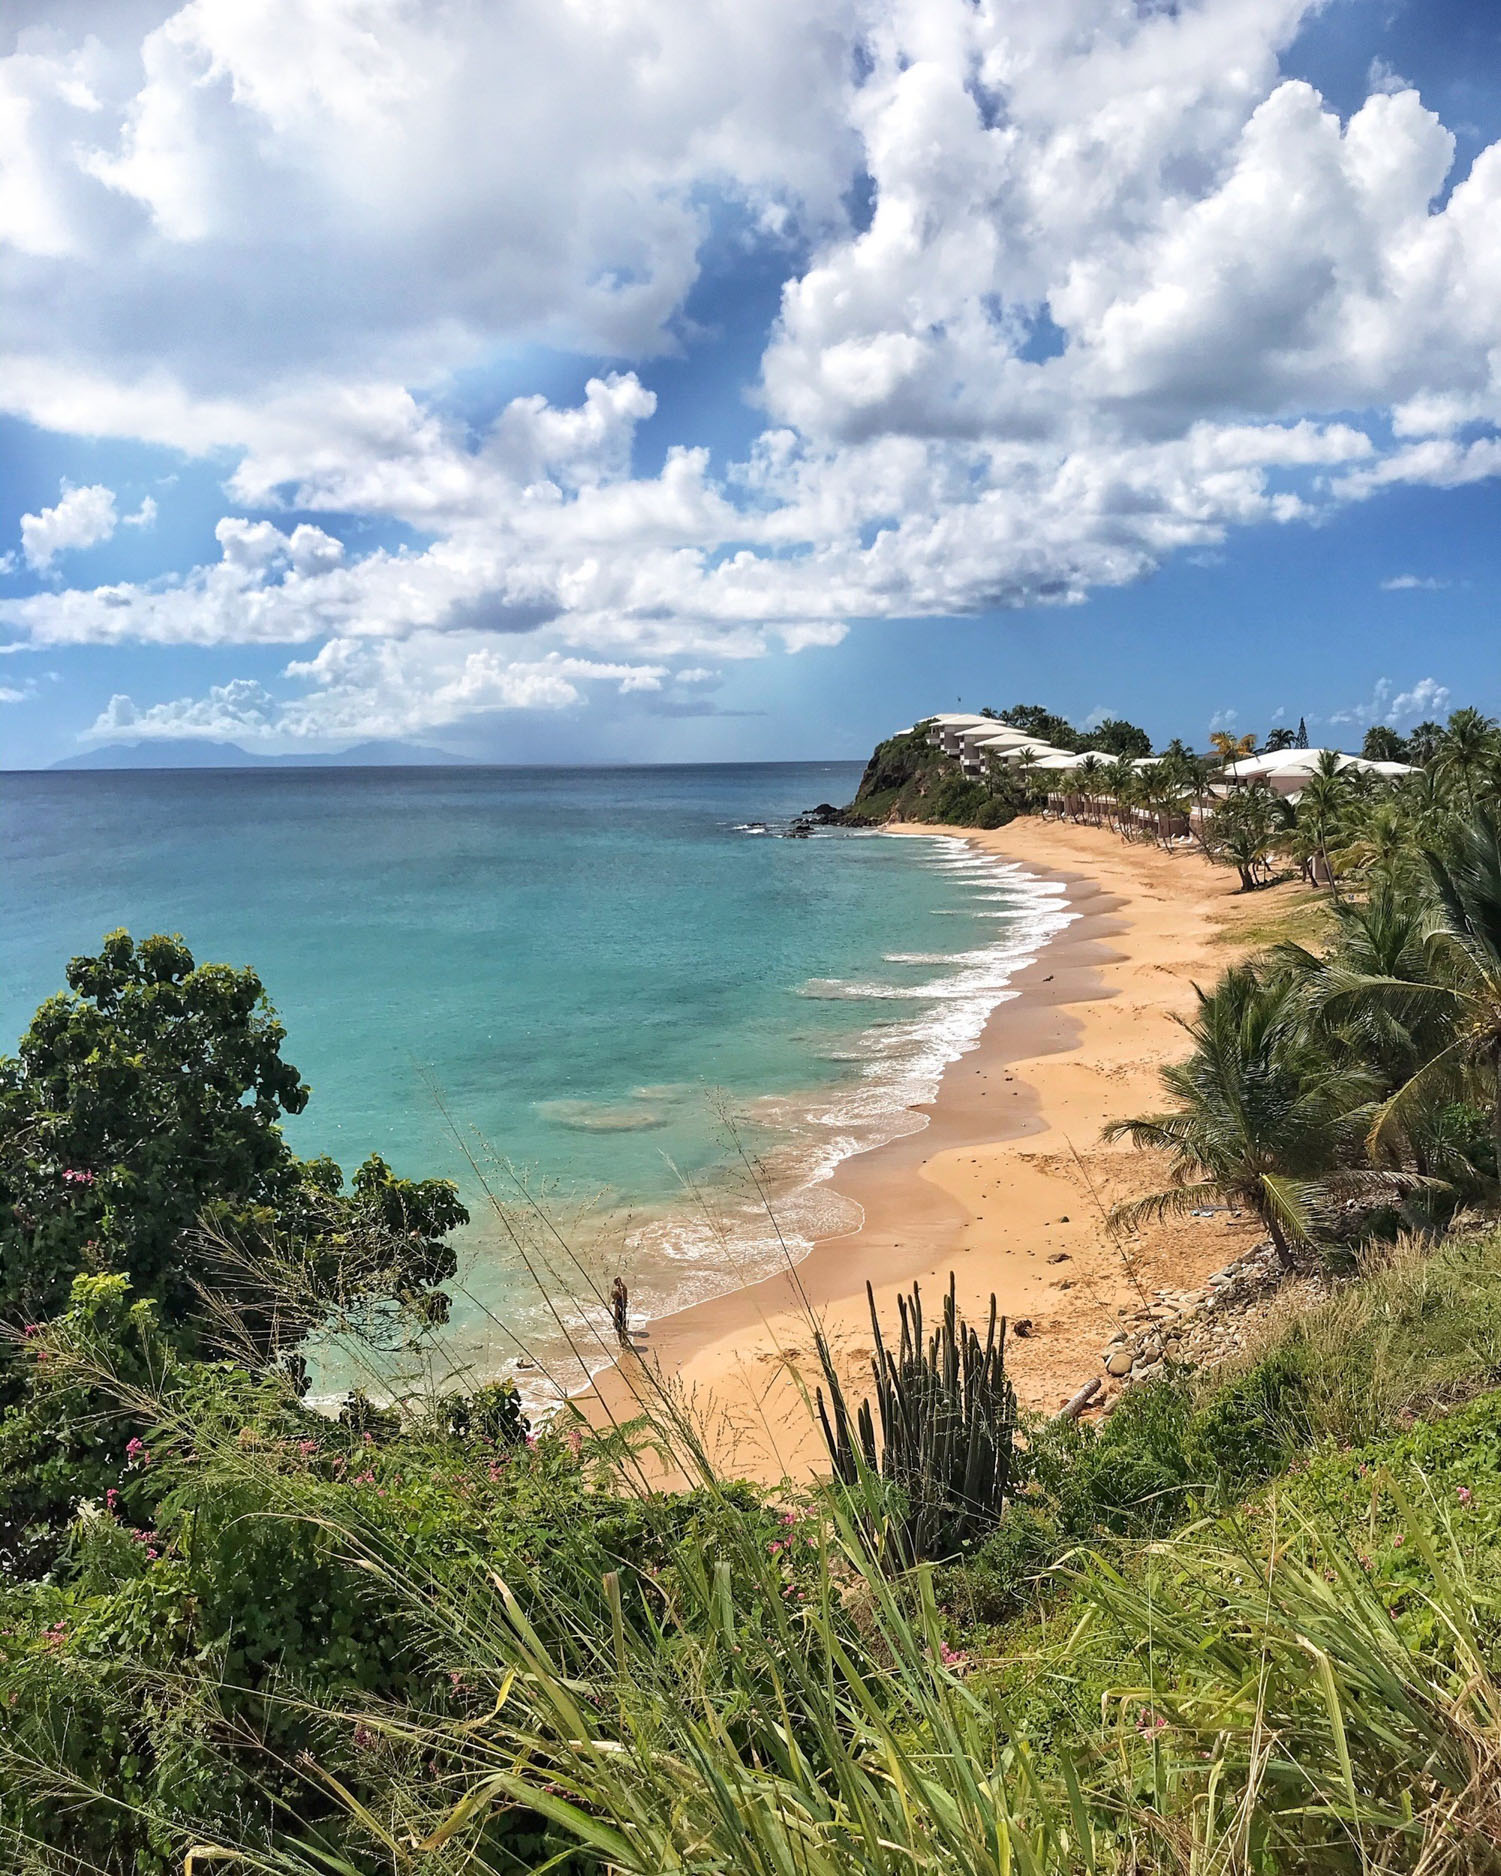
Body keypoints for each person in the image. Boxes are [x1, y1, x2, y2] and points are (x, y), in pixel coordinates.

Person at [610, 1274, 629, 1344]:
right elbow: (622, 1296)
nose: (614, 1284)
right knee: (623, 1323)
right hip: (622, 1307)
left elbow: (616, 1312)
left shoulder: (622, 1288)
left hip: (621, 1309)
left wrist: (615, 1320)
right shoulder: (620, 1287)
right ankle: (625, 1338)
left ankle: (621, 1342)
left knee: (619, 1330)